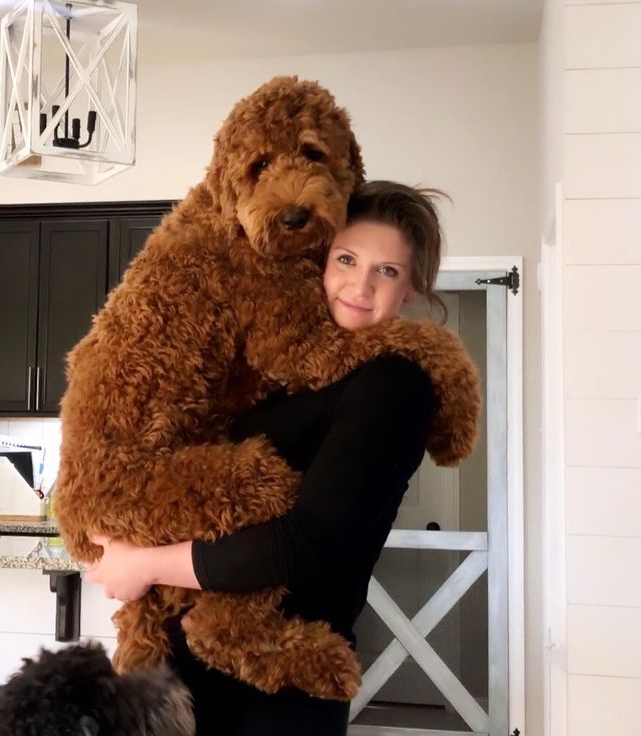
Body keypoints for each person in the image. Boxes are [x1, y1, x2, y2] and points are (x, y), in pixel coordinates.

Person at [86, 181, 455, 735]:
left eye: (387, 271)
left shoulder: (392, 384)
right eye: (347, 259)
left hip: (274, 692)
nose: (360, 284)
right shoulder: (286, 375)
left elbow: (310, 539)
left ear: (408, 290)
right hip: (186, 678)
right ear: (318, 262)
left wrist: (144, 565)